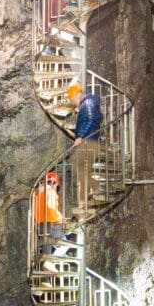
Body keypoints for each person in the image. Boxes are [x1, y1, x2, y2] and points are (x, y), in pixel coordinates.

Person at [67, 82, 103, 215]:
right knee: (85, 171)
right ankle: (89, 197)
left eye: (72, 100)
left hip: (88, 142)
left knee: (82, 173)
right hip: (91, 141)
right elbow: (98, 118)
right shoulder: (90, 103)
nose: (73, 103)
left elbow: (91, 119)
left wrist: (80, 136)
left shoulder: (87, 104)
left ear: (77, 95)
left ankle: (83, 204)